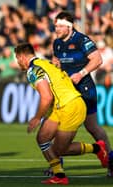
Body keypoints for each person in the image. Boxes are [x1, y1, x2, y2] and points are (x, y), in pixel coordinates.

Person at [14, 42, 108, 185]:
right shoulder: (45, 63)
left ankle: (97, 148)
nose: (17, 62)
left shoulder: (33, 70)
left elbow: (47, 97)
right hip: (61, 106)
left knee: (59, 149)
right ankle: (59, 175)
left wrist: (37, 118)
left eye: (16, 58)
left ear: (21, 57)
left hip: (71, 106)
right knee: (43, 138)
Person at [52, 11, 113, 176]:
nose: (56, 29)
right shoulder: (57, 43)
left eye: (59, 26)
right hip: (67, 92)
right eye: (55, 25)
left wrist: (81, 73)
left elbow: (97, 59)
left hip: (85, 90)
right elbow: (58, 62)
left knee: (92, 127)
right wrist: (55, 65)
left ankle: (111, 161)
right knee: (55, 126)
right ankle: (57, 166)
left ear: (69, 26)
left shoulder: (81, 40)